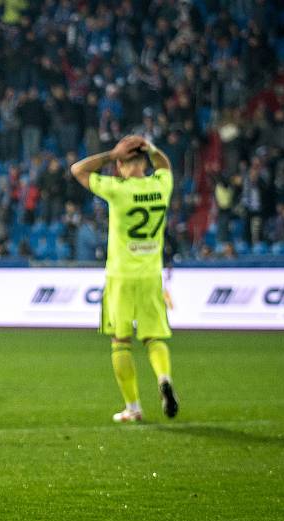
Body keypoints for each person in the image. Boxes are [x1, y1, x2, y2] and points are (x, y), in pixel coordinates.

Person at [70, 134, 179, 423]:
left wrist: (110, 153)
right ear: (144, 162)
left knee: (121, 341)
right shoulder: (161, 185)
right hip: (151, 274)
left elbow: (78, 170)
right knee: (153, 336)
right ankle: (164, 378)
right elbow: (165, 166)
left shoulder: (117, 189)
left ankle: (133, 407)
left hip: (121, 275)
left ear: (120, 166)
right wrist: (152, 148)